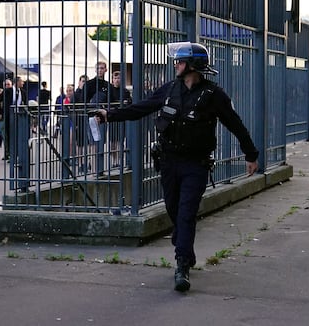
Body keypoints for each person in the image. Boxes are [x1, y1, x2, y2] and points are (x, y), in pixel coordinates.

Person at [93, 42, 258, 292]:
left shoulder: (214, 95)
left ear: (193, 65)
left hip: (196, 164)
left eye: (180, 61)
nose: (175, 65)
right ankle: (184, 246)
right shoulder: (170, 89)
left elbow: (235, 124)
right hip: (169, 162)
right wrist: (109, 115)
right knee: (173, 208)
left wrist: (250, 154)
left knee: (186, 212)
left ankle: (182, 265)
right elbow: (142, 108)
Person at [107, 71, 132, 169]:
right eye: (115, 78)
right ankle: (115, 161)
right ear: (112, 79)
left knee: (121, 140)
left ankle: (121, 160)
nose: (117, 80)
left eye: (119, 78)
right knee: (113, 141)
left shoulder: (125, 91)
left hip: (122, 118)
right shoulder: (109, 90)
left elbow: (129, 102)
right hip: (113, 118)